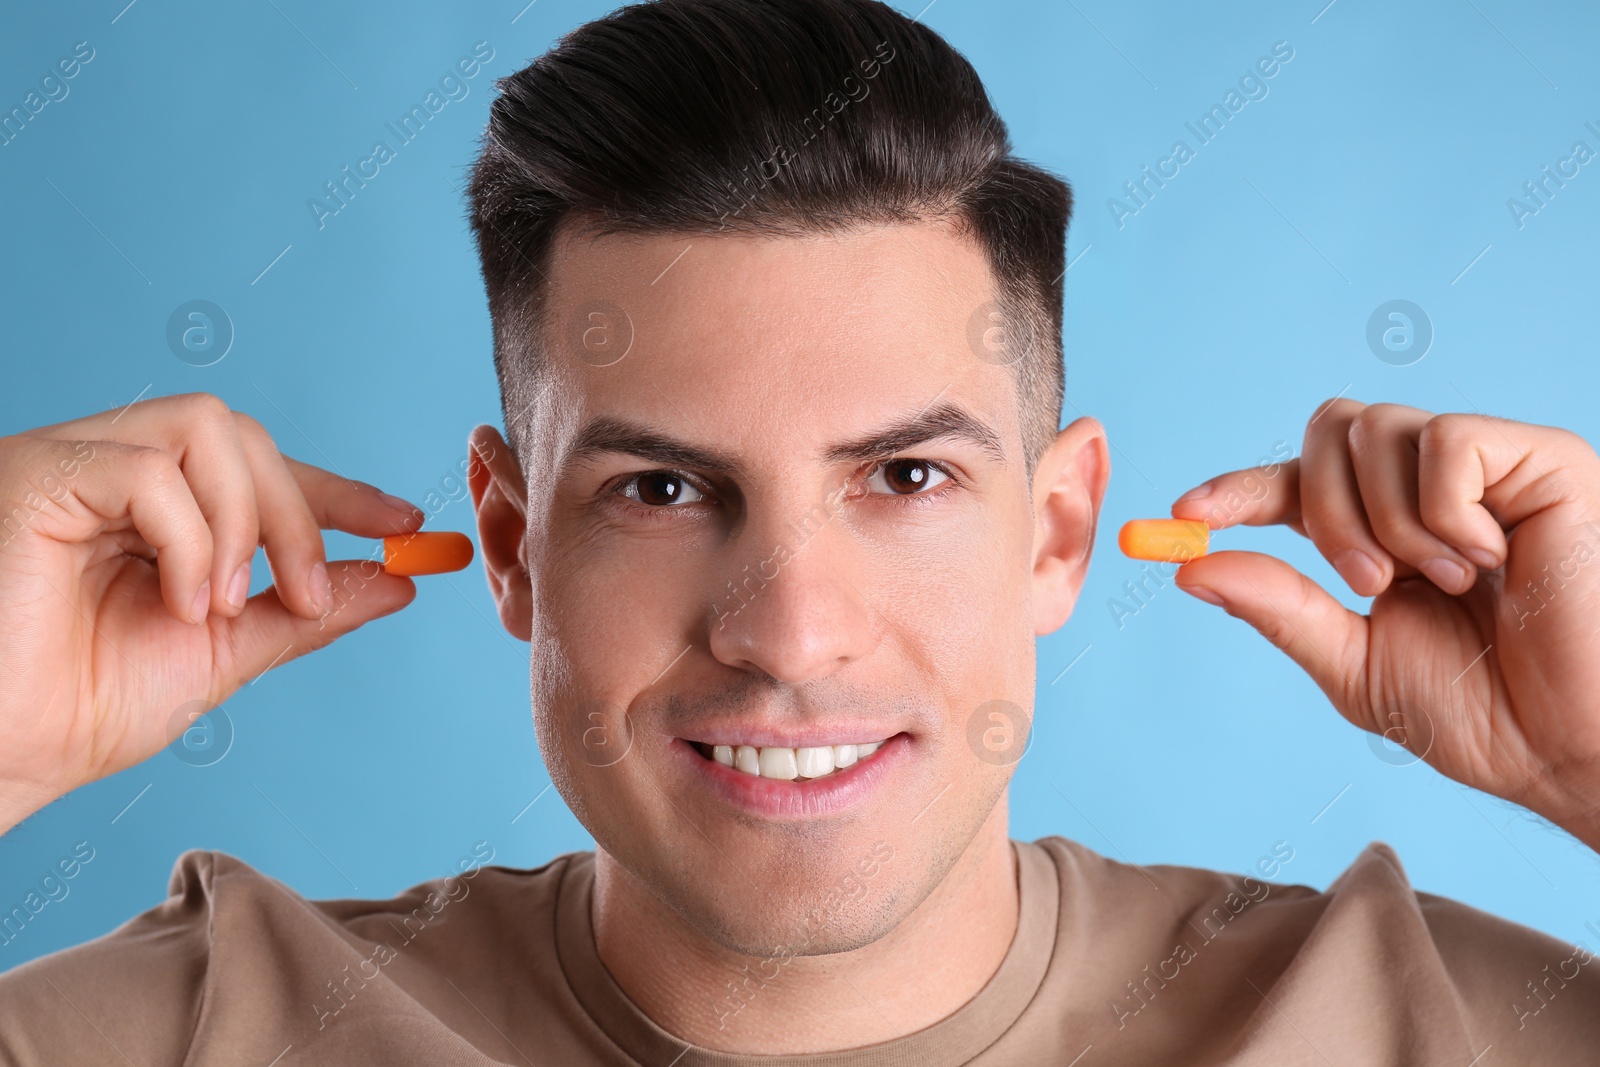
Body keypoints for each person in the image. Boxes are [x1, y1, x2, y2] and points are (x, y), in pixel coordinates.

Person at [2, 0, 1599, 1062]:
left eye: (904, 480)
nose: (789, 629)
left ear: (1056, 535)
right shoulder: (196, 1033)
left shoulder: (1434, 1027)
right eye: (663, 489)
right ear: (510, 544)